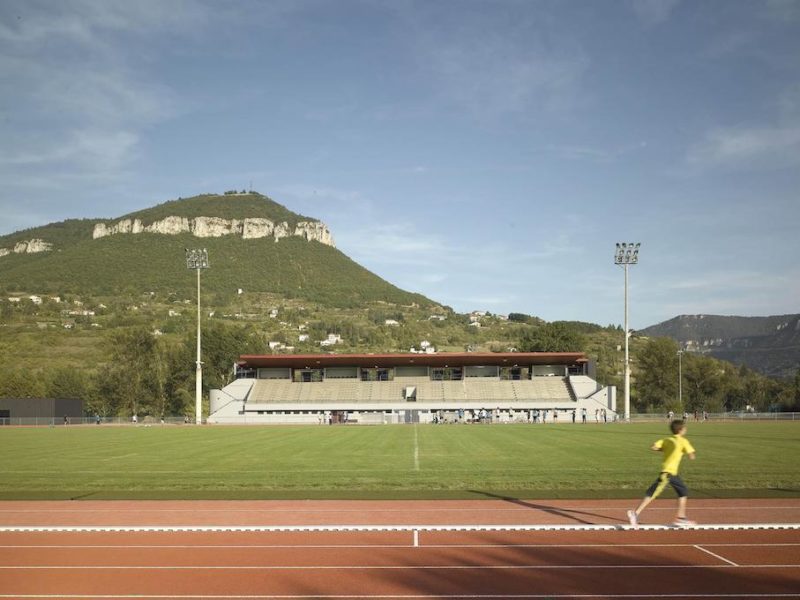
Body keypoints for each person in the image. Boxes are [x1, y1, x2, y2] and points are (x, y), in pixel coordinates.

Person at [627, 420, 697, 528]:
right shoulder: (683, 441)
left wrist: (664, 450)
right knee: (652, 494)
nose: (686, 429)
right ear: (680, 430)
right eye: (684, 428)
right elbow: (692, 455)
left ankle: (681, 518)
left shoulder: (667, 440)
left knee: (683, 491)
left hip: (671, 473)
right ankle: (635, 513)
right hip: (668, 474)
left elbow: (654, 447)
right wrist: (687, 454)